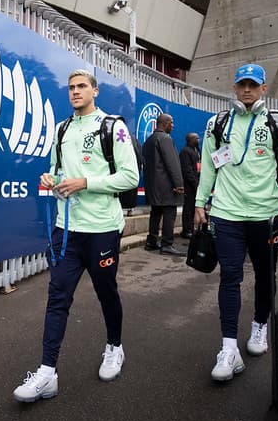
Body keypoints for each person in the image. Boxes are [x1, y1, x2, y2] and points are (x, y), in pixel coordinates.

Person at [13, 69, 139, 402]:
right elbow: (55, 172)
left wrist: (85, 182)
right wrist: (52, 180)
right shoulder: (62, 128)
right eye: (71, 87)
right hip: (67, 229)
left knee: (106, 291)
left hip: (102, 229)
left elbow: (130, 177)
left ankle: (115, 347)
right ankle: (47, 372)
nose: (75, 91)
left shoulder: (113, 126)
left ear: (95, 91)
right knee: (58, 297)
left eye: (82, 86)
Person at [194, 63, 278, 382]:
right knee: (230, 276)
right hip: (226, 214)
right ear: (234, 87)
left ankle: (259, 326)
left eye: (253, 85)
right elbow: (210, 168)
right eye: (242, 84)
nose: (247, 90)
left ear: (263, 89)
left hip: (267, 215)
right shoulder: (217, 123)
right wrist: (201, 202)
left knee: (265, 274)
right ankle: (229, 349)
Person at [143, 113, 185, 255]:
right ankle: (167, 244)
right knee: (169, 213)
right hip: (166, 186)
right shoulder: (165, 139)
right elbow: (172, 164)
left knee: (155, 213)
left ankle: (151, 241)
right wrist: (179, 184)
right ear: (165, 123)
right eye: (171, 123)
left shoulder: (149, 140)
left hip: (153, 186)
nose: (173, 126)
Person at [179, 132, 200, 238]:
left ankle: (191, 229)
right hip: (189, 186)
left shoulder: (196, 151)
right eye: (197, 138)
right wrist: (195, 184)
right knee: (188, 209)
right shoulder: (185, 152)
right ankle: (186, 230)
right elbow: (187, 170)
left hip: (196, 185)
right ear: (190, 139)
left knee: (192, 209)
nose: (198, 140)